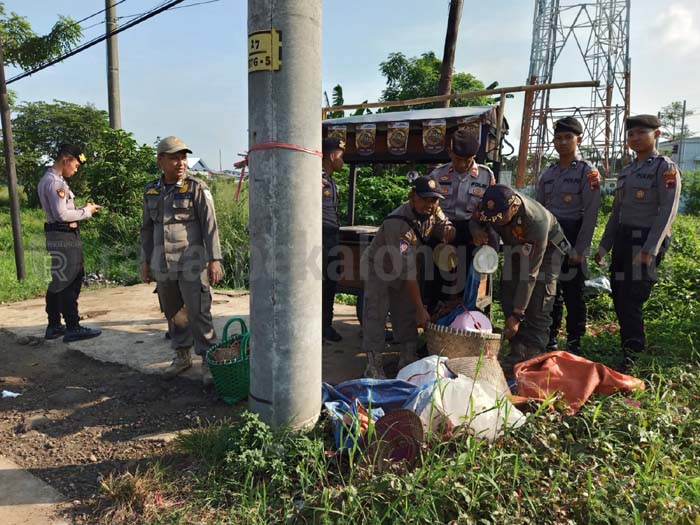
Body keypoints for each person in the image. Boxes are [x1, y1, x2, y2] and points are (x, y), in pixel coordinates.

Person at [595, 114, 681, 371]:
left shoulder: (665, 168)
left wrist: (650, 250)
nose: (635, 138)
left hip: (646, 240)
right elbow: (616, 212)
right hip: (624, 238)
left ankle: (633, 354)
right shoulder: (628, 170)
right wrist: (604, 245)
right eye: (631, 134)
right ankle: (627, 343)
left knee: (633, 297)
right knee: (619, 293)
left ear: (657, 134)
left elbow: (668, 210)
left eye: (641, 132)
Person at [140, 136, 224, 385]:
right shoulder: (151, 191)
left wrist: (215, 259)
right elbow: (146, 229)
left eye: (183, 157)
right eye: (174, 157)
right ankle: (182, 356)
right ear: (160, 160)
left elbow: (211, 226)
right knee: (174, 313)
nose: (181, 163)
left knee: (199, 312)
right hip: (163, 264)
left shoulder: (196, 188)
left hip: (192, 263)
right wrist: (145, 261)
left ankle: (208, 359)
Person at [361, 176, 455, 378]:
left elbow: (445, 227)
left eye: (434, 200)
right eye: (425, 199)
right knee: (376, 313)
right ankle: (374, 364)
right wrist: (421, 309)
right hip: (380, 268)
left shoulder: (433, 209)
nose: (430, 204)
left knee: (405, 310)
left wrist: (448, 231)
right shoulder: (398, 224)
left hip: (405, 266)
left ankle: (407, 356)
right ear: (412, 197)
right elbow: (408, 272)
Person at [470, 184, 570, 375]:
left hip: (547, 251)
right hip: (514, 246)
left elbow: (530, 274)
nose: (495, 222)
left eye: (500, 218)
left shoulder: (534, 221)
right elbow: (474, 221)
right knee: (508, 290)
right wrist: (477, 230)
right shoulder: (488, 206)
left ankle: (534, 357)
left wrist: (517, 315)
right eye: (492, 218)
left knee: (538, 300)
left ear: (514, 207)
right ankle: (517, 351)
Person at [536, 116, 601, 354]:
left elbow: (591, 213)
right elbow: (540, 210)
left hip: (574, 234)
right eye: (558, 138)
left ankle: (575, 341)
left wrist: (581, 249)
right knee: (550, 291)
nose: (562, 142)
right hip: (550, 238)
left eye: (568, 138)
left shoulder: (587, 172)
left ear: (579, 140)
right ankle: (550, 338)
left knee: (574, 292)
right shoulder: (549, 173)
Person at [38, 144, 103, 343]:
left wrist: (82, 209)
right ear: (66, 160)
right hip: (64, 236)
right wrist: (87, 212)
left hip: (57, 235)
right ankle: (73, 326)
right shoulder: (56, 183)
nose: (75, 169)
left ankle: (54, 325)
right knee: (70, 279)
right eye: (75, 165)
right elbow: (62, 214)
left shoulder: (48, 180)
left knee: (59, 279)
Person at [427, 128, 495, 310]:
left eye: (468, 160)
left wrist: (479, 228)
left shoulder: (486, 175)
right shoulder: (437, 175)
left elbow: (491, 208)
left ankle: (467, 313)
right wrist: (443, 224)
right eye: (458, 159)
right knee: (432, 267)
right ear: (450, 152)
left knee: (472, 268)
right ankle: (433, 311)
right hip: (444, 225)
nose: (463, 164)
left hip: (472, 229)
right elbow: (432, 206)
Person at [321, 137, 345, 342]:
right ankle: (322, 328)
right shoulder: (316, 179)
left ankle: (325, 326)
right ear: (331, 156)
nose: (342, 160)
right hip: (320, 238)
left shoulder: (329, 179)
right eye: (340, 155)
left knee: (330, 283)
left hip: (330, 237)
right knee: (322, 284)